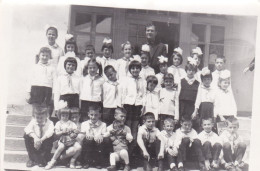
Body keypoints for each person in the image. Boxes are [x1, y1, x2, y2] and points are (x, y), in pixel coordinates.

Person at [121, 56, 146, 155]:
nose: (135, 70)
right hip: (128, 105)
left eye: (137, 68)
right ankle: (124, 152)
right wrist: (122, 106)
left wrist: (143, 106)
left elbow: (144, 94)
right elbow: (123, 93)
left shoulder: (142, 81)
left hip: (138, 106)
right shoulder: (126, 80)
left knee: (135, 128)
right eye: (133, 68)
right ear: (130, 69)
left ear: (140, 69)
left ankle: (131, 152)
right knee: (127, 128)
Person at [26, 47, 55, 113]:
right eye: (43, 55)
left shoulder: (52, 68)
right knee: (36, 109)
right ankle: (35, 121)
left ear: (49, 57)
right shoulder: (34, 67)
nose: (44, 57)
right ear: (39, 56)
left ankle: (46, 122)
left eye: (47, 56)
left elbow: (55, 82)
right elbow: (29, 80)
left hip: (47, 90)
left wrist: (53, 95)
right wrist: (28, 93)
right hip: (36, 89)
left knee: (46, 109)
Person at [79, 105, 108, 169]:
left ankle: (97, 162)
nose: (93, 117)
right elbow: (82, 134)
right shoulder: (84, 124)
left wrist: (101, 135)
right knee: (87, 140)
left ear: (100, 115)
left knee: (103, 140)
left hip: (97, 143)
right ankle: (86, 161)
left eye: (96, 115)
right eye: (91, 114)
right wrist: (86, 134)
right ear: (88, 114)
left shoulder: (103, 124)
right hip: (88, 143)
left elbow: (104, 134)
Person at [192, 67, 215, 132]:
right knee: (201, 123)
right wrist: (195, 111)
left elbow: (215, 102)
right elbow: (198, 100)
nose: (207, 81)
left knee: (210, 123)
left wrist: (215, 114)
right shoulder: (200, 88)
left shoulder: (213, 89)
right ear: (202, 80)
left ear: (211, 80)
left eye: (208, 79)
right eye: (205, 79)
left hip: (210, 109)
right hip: (202, 108)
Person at [179, 59, 200, 124]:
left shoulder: (198, 83)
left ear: (195, 71)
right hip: (182, 106)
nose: (191, 72)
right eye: (189, 70)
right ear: (186, 71)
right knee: (182, 123)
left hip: (192, 107)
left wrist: (195, 111)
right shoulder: (181, 81)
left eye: (193, 70)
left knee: (191, 123)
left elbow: (198, 98)